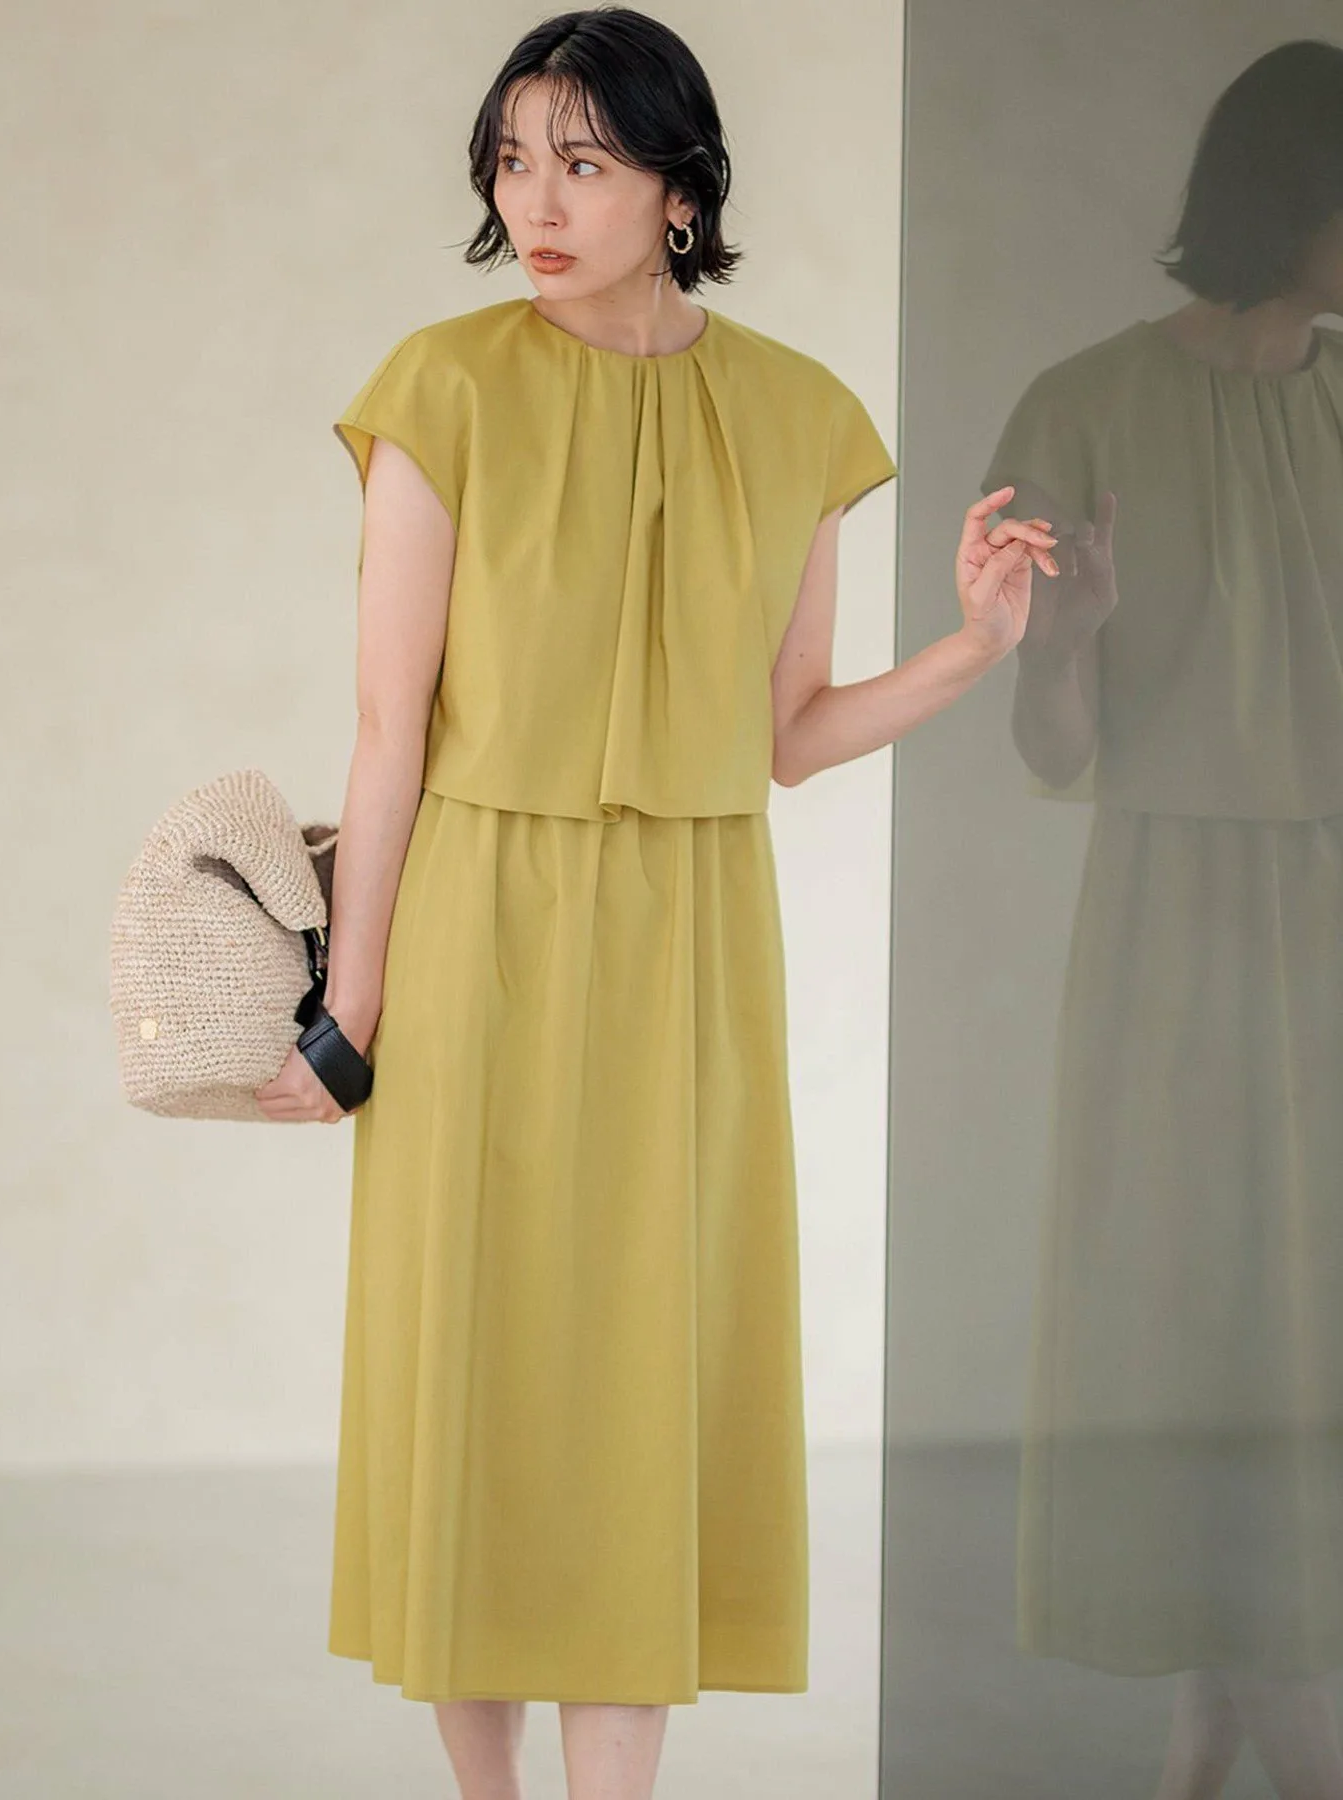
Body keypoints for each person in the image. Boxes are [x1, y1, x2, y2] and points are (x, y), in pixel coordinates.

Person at [256, 9, 1051, 1797]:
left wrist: (973, 649)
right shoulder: (441, 390)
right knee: (478, 1378)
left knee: (640, 1387)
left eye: (584, 163)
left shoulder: (796, 416)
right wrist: (351, 1005)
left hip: (690, 942)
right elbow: (389, 730)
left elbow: (789, 733)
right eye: (512, 160)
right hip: (475, 925)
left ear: (681, 191)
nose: (535, 203)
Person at [981, 37, 1343, 1800]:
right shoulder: (1085, 407)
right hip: (1177, 922)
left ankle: (1220, 1736)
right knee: (1195, 1312)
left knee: (1310, 1333)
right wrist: (1063, 643)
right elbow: (1051, 747)